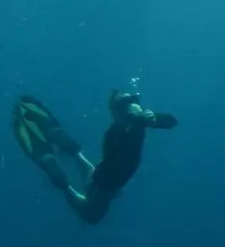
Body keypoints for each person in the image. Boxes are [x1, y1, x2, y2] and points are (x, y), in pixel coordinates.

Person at [12, 91, 178, 225]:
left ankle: (66, 150)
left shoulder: (132, 122)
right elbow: (170, 122)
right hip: (105, 184)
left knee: (92, 176)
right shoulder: (124, 127)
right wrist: (147, 120)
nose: (133, 104)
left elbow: (171, 121)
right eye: (127, 102)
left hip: (104, 178)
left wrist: (153, 118)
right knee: (92, 216)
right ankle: (59, 175)